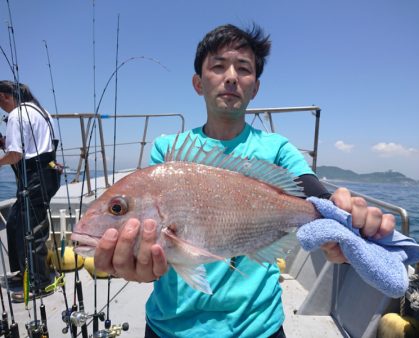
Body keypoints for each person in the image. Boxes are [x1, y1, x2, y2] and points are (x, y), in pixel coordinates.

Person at [94, 24, 395, 337]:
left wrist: (344, 223)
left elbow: (317, 199)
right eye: (218, 66)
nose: (231, 77)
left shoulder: (276, 148)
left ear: (255, 88)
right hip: (170, 327)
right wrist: (137, 263)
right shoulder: (167, 151)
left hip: (258, 327)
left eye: (244, 69)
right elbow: (162, 249)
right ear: (198, 83)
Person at [0, 80, 61, 303]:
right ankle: (22, 273)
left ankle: (41, 284)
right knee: (16, 220)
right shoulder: (41, 111)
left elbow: (15, 154)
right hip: (48, 173)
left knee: (32, 230)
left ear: (5, 96)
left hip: (35, 176)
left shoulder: (17, 114)